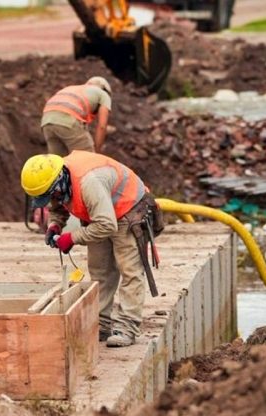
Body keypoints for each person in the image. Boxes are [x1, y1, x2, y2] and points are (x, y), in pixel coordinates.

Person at [20, 151, 162, 347]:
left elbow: (107, 225)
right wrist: (55, 224)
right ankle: (101, 324)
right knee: (99, 269)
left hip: (129, 210)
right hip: (100, 214)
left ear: (57, 183)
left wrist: (71, 237)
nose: (51, 198)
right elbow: (57, 205)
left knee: (129, 269)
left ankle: (127, 327)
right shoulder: (57, 180)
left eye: (50, 194)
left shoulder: (89, 183)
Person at [40, 76, 112, 155]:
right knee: (87, 159)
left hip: (47, 122)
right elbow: (102, 126)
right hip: (68, 120)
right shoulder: (103, 94)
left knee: (58, 162)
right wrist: (97, 152)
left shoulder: (73, 88)